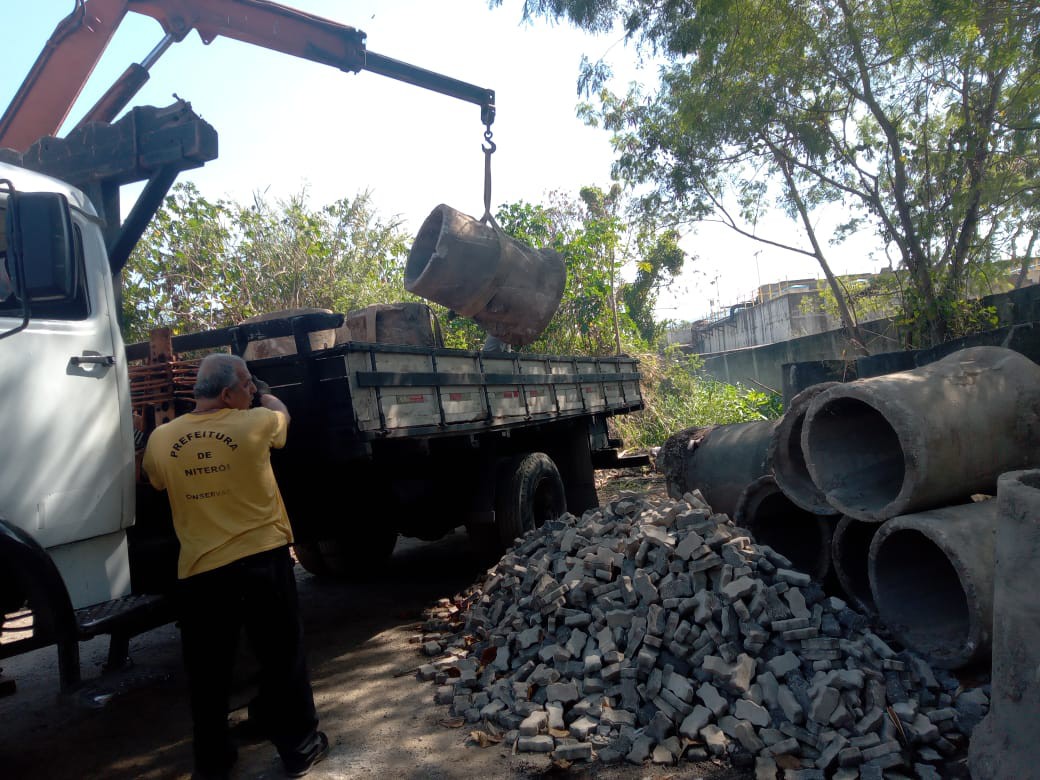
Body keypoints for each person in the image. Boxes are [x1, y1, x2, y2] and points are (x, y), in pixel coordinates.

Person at [142, 353, 328, 779]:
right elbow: (283, 417)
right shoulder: (256, 422)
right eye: (245, 384)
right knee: (282, 657)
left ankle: (213, 764)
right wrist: (267, 395)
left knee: (208, 673)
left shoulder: (162, 438)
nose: (250, 390)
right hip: (262, 561)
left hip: (201, 572)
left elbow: (154, 478)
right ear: (227, 393)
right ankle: (300, 749)